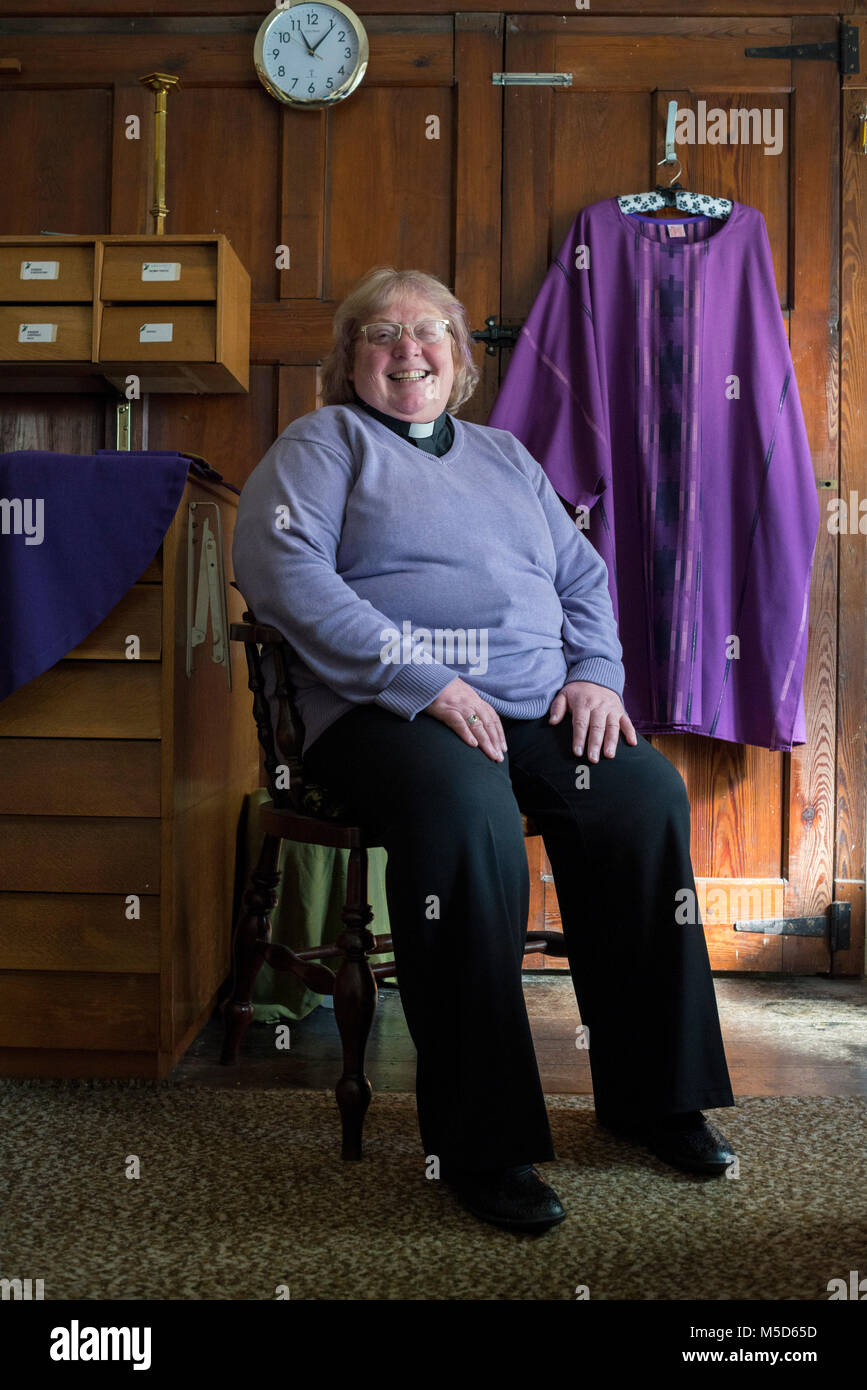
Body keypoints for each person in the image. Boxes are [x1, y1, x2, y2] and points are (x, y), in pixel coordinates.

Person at [232, 266, 736, 1234]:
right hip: (386, 712)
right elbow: (281, 571)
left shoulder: (506, 456)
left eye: (430, 333)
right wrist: (424, 680)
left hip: (536, 706)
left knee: (642, 798)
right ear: (348, 362)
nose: (406, 351)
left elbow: (584, 579)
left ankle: (655, 1097)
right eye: (380, 334)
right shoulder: (323, 442)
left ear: (460, 360)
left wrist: (595, 673)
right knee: (466, 817)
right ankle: (483, 1140)